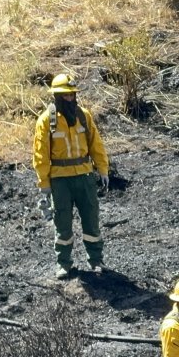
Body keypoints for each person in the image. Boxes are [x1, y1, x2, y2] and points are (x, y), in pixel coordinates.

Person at [32, 73, 111, 279]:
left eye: (72, 95)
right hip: (60, 181)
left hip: (85, 177)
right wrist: (44, 184)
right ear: (56, 96)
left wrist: (102, 170)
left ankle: (96, 260)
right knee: (62, 223)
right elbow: (40, 155)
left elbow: (96, 145)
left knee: (91, 220)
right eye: (65, 95)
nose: (69, 99)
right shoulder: (46, 121)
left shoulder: (83, 116)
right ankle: (64, 264)